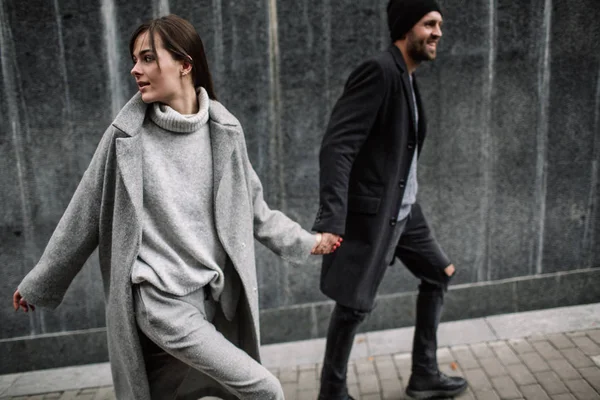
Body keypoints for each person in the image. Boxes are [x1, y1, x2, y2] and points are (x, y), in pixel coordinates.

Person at [13, 14, 341, 400]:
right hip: (160, 302)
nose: (136, 69)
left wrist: (309, 241)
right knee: (264, 390)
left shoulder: (225, 133)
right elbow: (83, 213)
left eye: (149, 58)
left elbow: (256, 210)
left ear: (186, 64)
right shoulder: (126, 138)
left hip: (209, 300)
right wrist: (40, 282)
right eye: (135, 59)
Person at [312, 1, 468, 399]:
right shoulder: (379, 72)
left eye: (440, 25)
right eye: (429, 24)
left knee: (439, 274)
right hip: (376, 215)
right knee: (354, 304)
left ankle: (424, 374)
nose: (438, 32)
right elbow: (337, 146)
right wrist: (333, 218)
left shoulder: (407, 79)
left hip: (406, 213)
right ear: (405, 27)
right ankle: (332, 392)